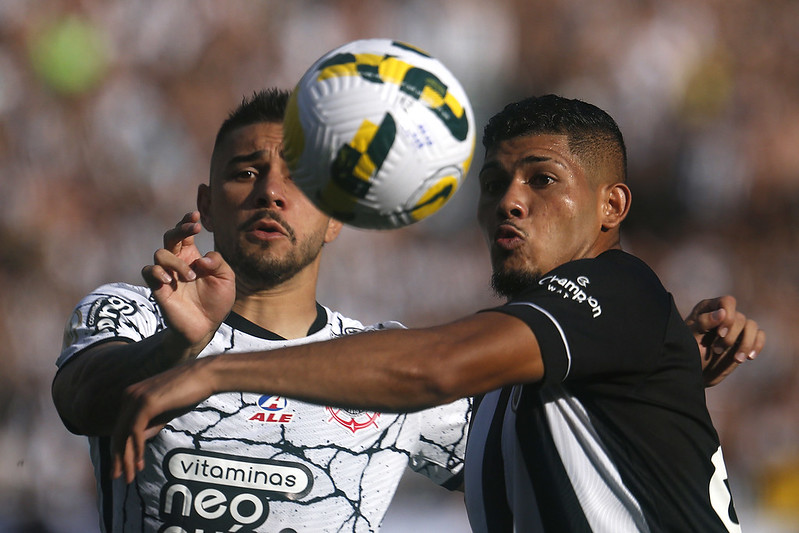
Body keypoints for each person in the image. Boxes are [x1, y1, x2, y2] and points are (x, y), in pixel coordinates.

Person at [107, 94, 765, 532]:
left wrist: (218, 372)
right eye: (494, 183)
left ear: (610, 207)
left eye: (541, 179)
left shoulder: (617, 286)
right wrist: (666, 373)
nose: (509, 201)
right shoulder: (525, 385)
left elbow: (433, 366)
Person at [52, 89, 472, 533]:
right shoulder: (137, 316)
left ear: (335, 217)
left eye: (299, 178)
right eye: (247, 171)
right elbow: (81, 405)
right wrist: (178, 347)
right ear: (208, 205)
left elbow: (531, 466)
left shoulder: (385, 365)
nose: (270, 191)